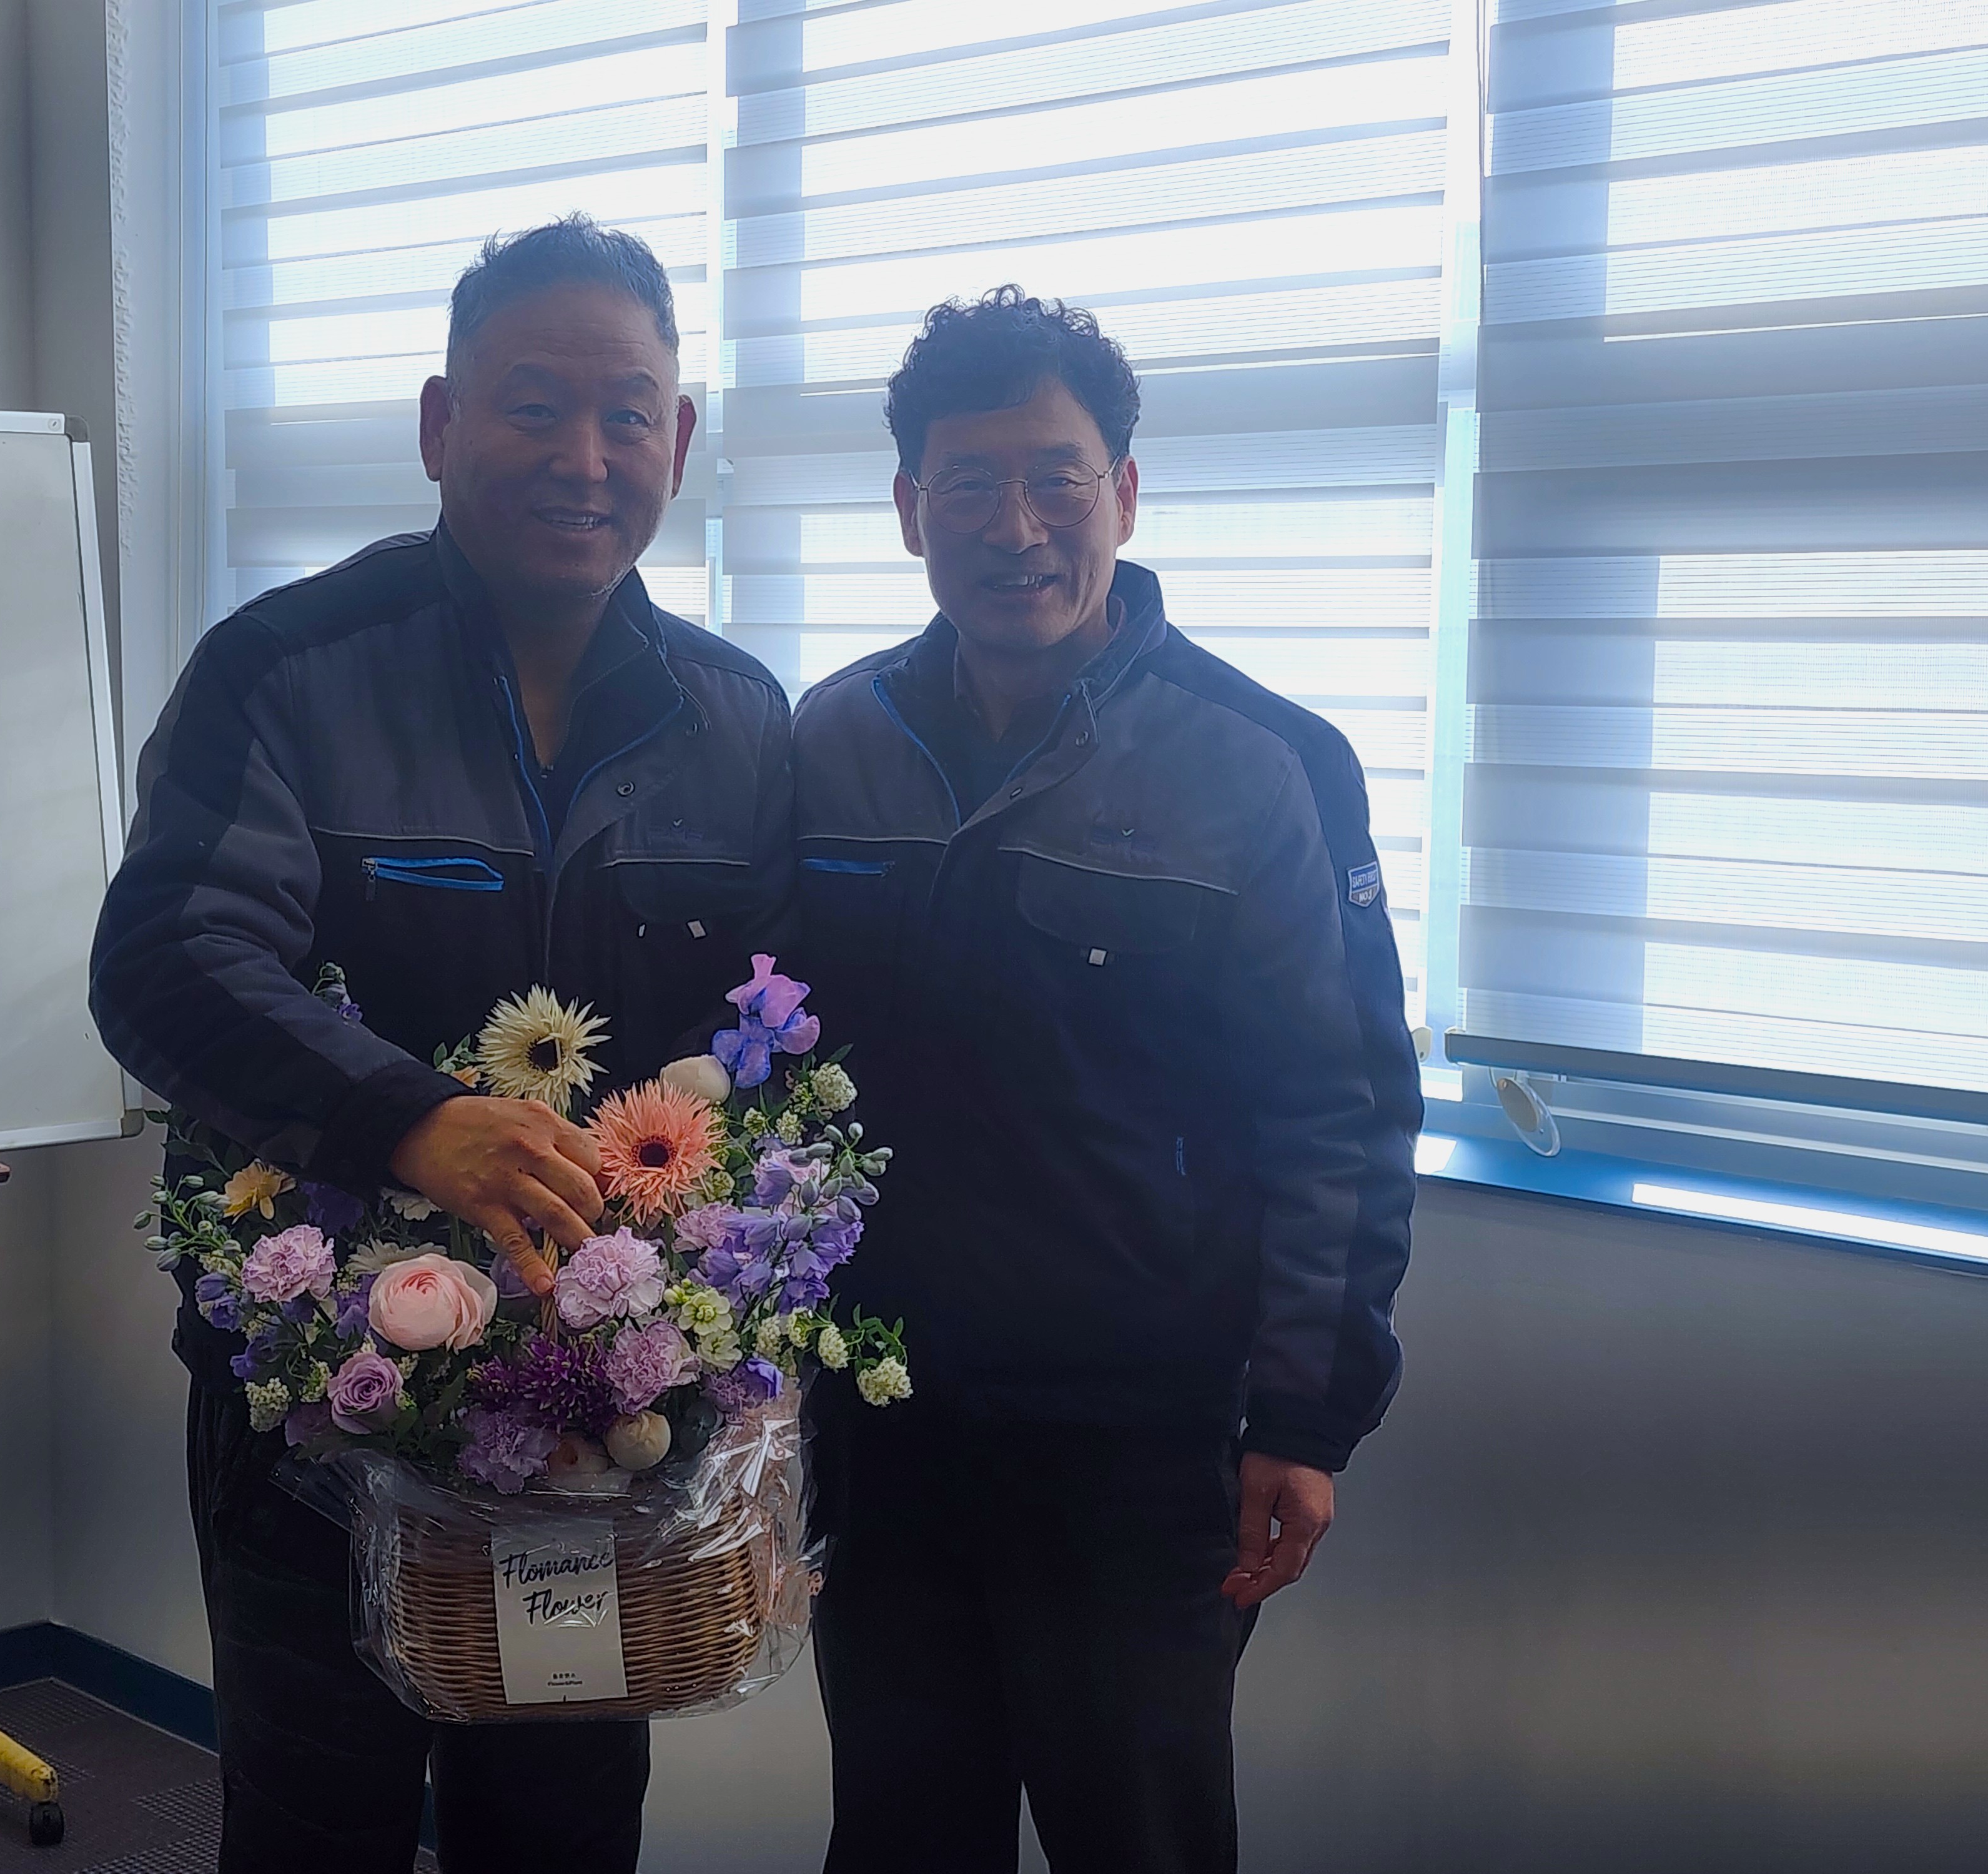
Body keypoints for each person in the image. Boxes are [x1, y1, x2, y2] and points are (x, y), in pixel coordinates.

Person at [88, 216, 793, 1874]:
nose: (582, 456)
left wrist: (741, 1341)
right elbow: (168, 960)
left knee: (562, 1823)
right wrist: (408, 1121)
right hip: (320, 1407)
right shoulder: (285, 670)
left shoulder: (737, 718)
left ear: (680, 439)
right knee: (313, 1819)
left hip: (608, 1409)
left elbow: (759, 1044)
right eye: (531, 407)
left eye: (626, 414)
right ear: (438, 424)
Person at [792, 289, 1420, 1873]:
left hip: (1139, 1444)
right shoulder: (830, 741)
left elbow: (1338, 1111)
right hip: (883, 1427)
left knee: (1137, 1838)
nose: (1013, 529)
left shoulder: (1264, 762)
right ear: (907, 510)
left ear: (1122, 493)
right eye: (965, 484)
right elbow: (769, 1066)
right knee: (896, 1835)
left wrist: (1304, 1416)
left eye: (1054, 479)